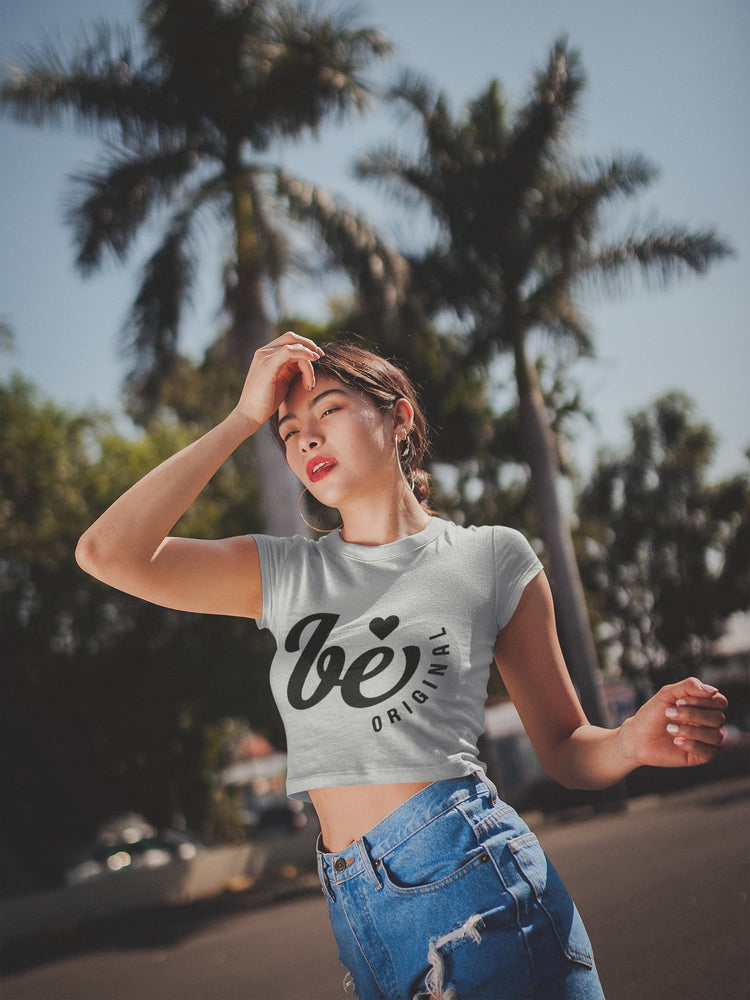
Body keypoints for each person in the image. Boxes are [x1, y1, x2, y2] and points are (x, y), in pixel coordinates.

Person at [76, 330, 727, 1000]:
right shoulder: (284, 572)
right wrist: (242, 418)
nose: (305, 439)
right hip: (358, 912)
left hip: (473, 885)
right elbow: (105, 553)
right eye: (289, 428)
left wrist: (628, 741)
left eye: (328, 411)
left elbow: (563, 748)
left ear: (398, 416)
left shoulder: (491, 557)